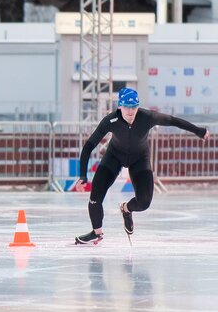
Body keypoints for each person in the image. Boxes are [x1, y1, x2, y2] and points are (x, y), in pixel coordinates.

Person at [74, 88, 209, 245]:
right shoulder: (110, 120)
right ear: (119, 107)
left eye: (134, 107)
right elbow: (89, 146)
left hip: (140, 159)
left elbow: (173, 121)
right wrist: (82, 175)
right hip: (114, 157)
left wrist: (199, 131)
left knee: (144, 202)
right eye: (126, 107)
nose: (130, 111)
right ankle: (96, 233)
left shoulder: (147, 117)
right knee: (95, 198)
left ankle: (126, 209)